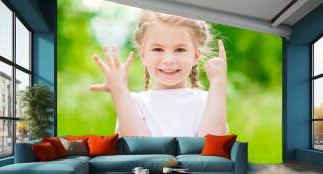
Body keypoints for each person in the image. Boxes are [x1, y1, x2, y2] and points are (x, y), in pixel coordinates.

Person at [89, 10, 228, 137]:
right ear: (143, 55)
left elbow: (213, 147)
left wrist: (218, 82)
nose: (168, 60)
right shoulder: (134, 103)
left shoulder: (207, 101)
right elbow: (137, 147)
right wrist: (118, 89)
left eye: (179, 50)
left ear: (195, 55)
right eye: (157, 49)